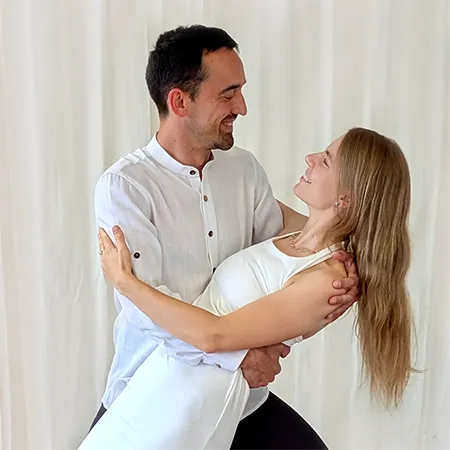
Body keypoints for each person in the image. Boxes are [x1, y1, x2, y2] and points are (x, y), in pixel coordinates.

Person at [87, 24, 358, 449]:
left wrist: (349, 266)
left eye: (241, 91)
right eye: (228, 94)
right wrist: (238, 354)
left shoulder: (243, 170)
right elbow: (145, 308)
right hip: (153, 395)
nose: (242, 107)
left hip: (240, 396)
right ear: (180, 102)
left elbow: (287, 243)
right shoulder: (127, 187)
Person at [81, 127, 414, 450]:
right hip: (163, 378)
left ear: (345, 198)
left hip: (194, 401)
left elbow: (213, 336)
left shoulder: (328, 280)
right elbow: (231, 199)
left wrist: (126, 282)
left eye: (325, 160)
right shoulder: (296, 235)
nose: (310, 158)